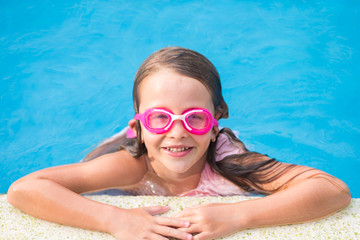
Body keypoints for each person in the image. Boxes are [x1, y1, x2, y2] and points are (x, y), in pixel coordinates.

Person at [7, 47, 351, 240]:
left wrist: (241, 215)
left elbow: (332, 189)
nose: (177, 132)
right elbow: (26, 189)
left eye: (194, 118)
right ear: (138, 126)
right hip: (134, 150)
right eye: (161, 117)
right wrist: (114, 219)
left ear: (215, 125)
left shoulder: (230, 164)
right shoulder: (131, 166)